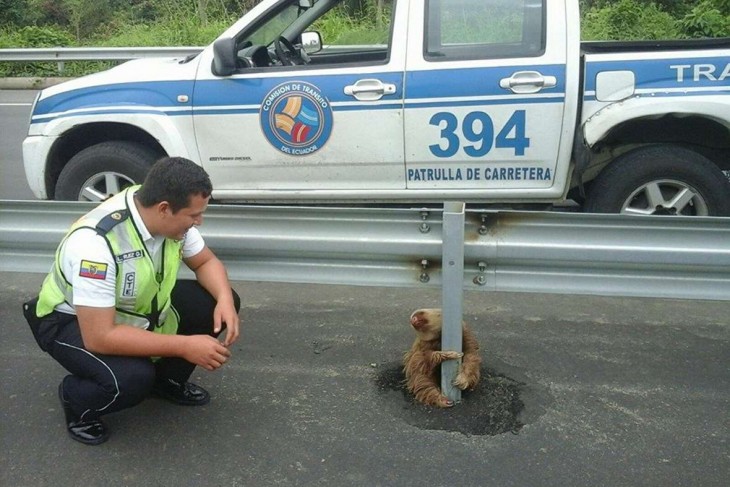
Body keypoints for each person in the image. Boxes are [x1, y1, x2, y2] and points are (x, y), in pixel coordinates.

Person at [22, 156, 241, 445]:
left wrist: (225, 298)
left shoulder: (159, 207)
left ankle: (166, 382)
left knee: (215, 303)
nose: (199, 221)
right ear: (164, 209)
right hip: (70, 321)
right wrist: (186, 346)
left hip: (131, 308)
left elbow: (205, 262)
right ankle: (78, 401)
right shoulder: (95, 245)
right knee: (133, 378)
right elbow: (100, 337)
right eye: (194, 215)